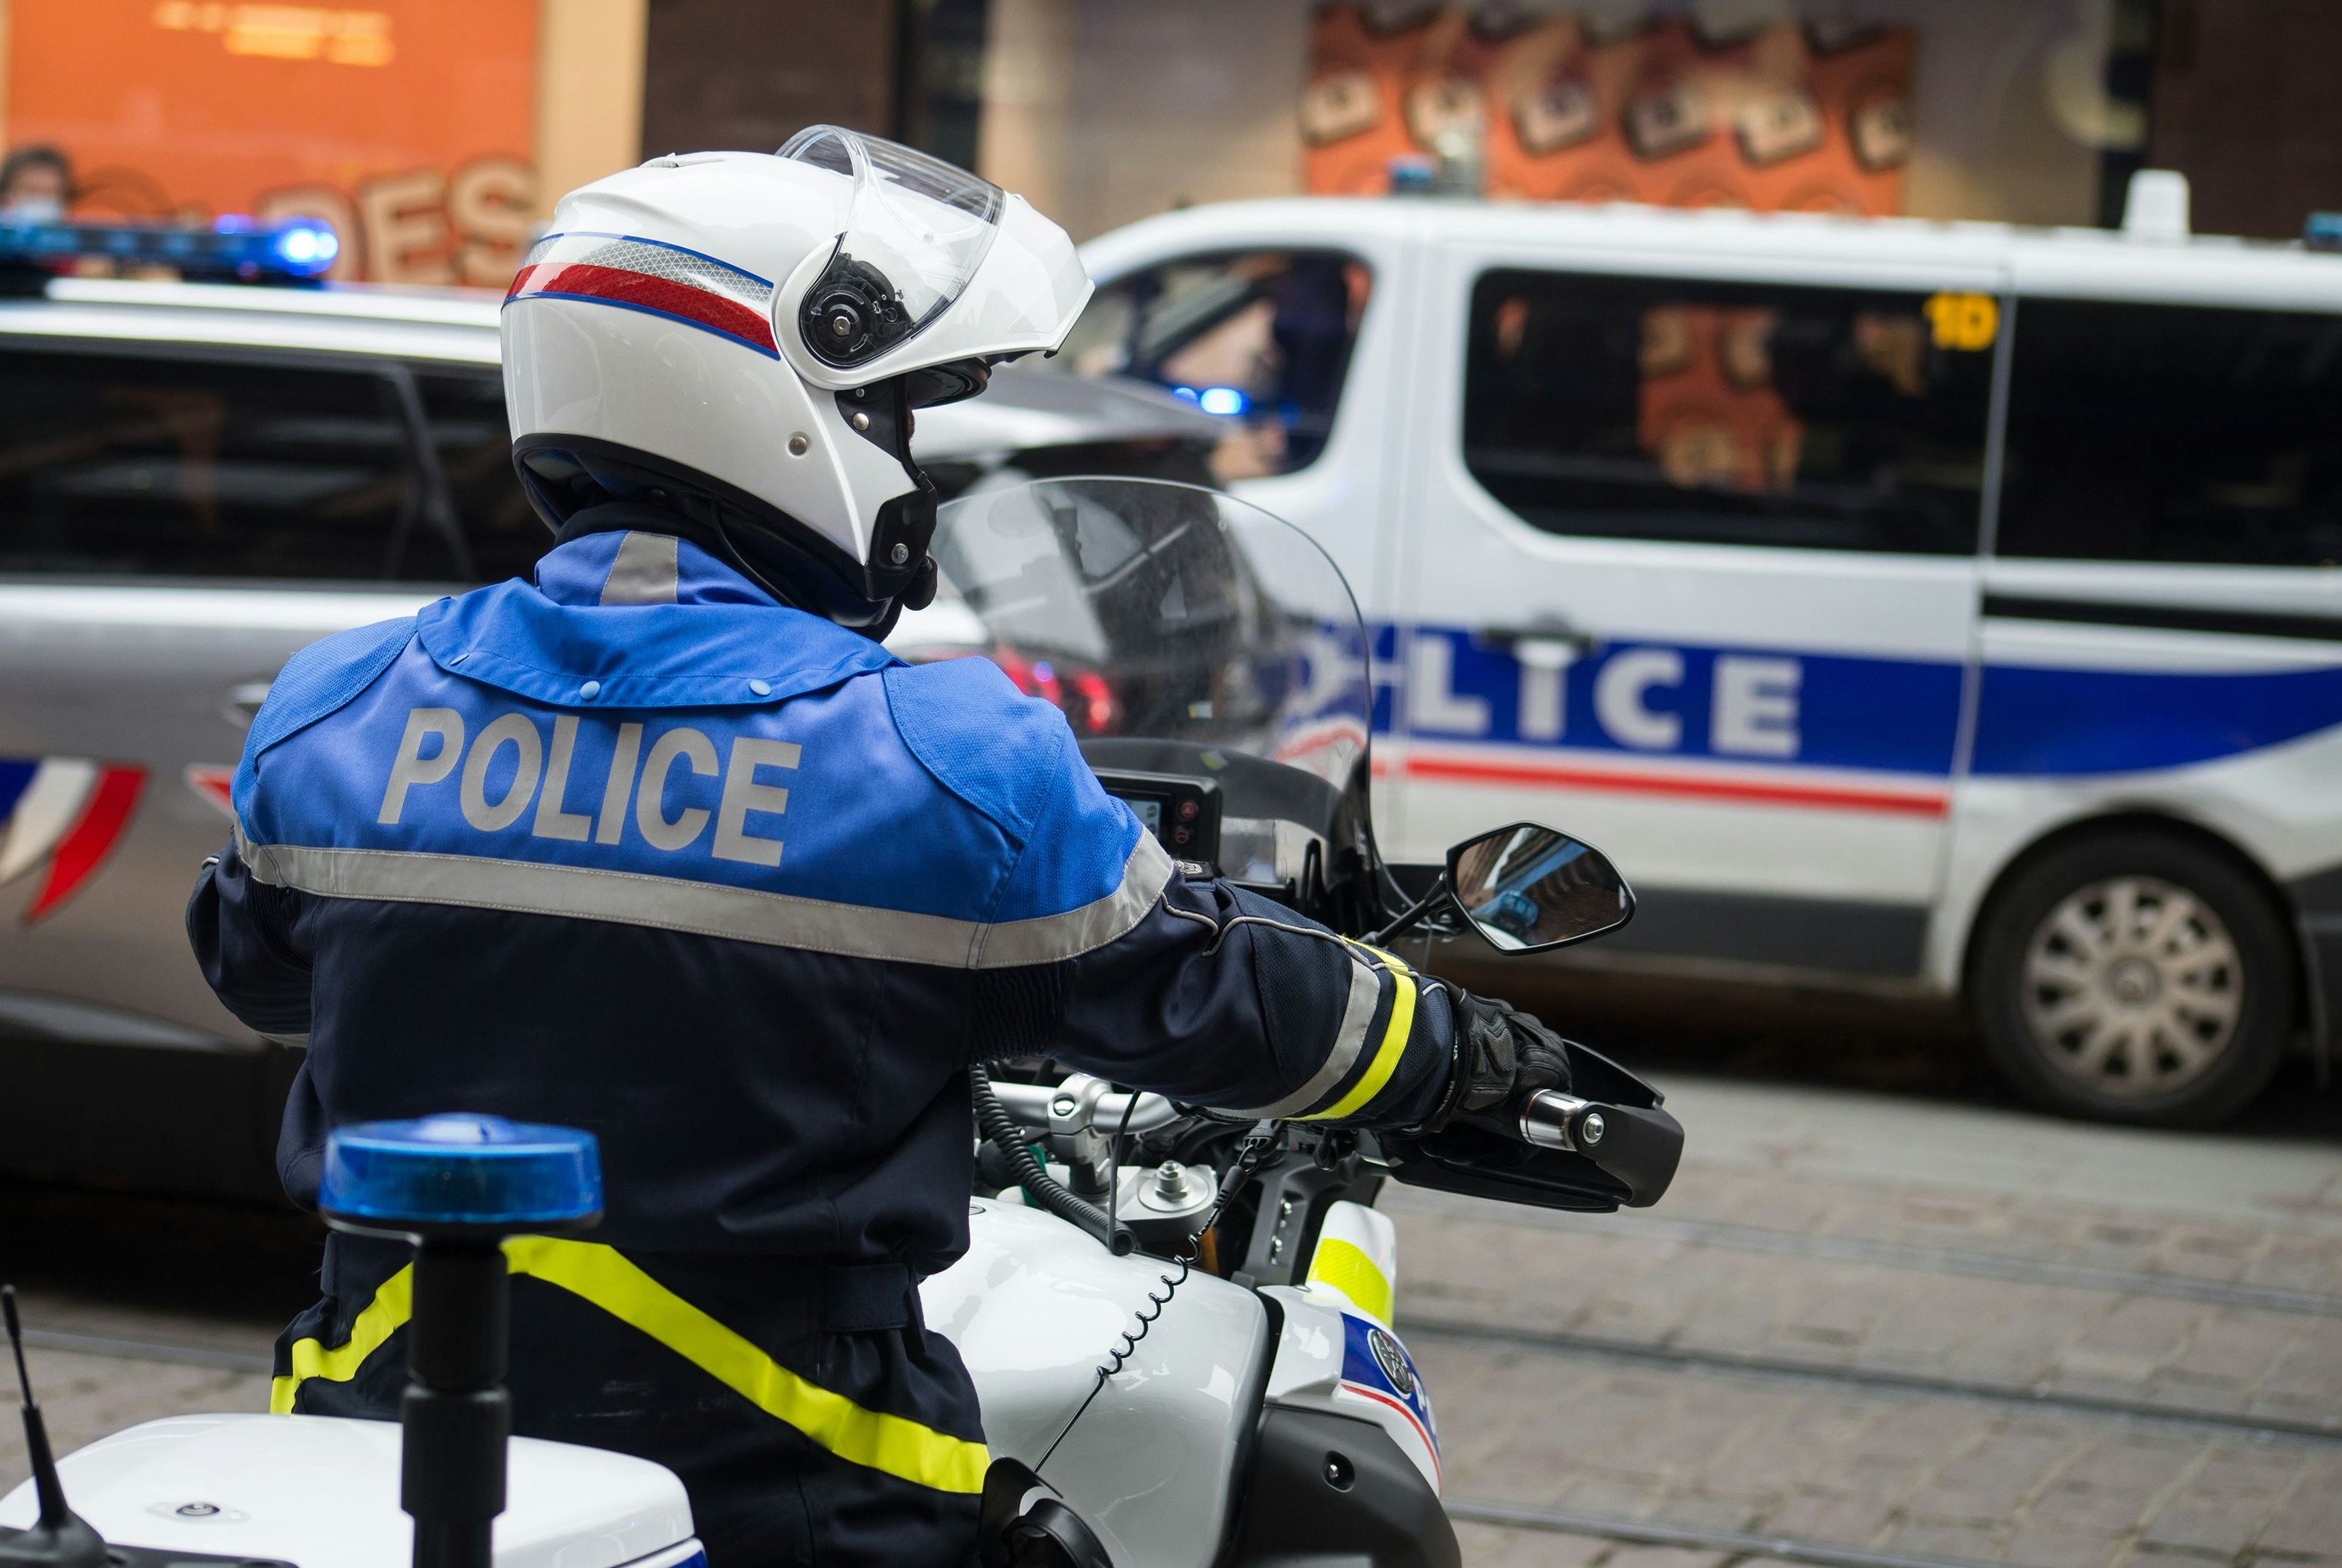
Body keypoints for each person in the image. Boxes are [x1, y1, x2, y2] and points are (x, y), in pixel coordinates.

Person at [188, 127, 1567, 1568]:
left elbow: (256, 968)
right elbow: (1208, 995)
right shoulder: (941, 759)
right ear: (782, 409)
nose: (905, 467)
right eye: (896, 419)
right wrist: (1447, 1048)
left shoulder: (333, 707)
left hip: (383, 1452)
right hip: (789, 1488)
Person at [0, 144, 73, 218]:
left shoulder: (77, 234)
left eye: (52, 192)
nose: (42, 199)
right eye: (33, 190)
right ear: (6, 195)